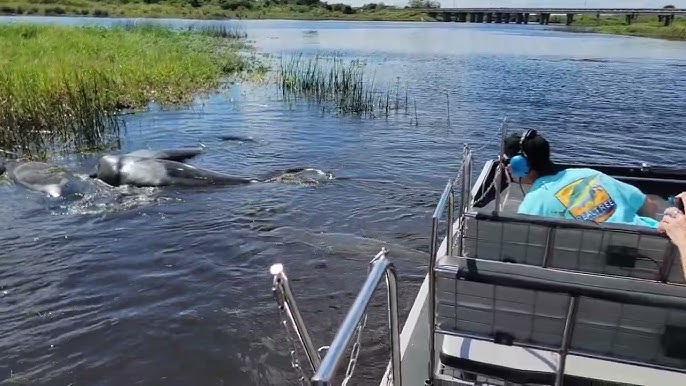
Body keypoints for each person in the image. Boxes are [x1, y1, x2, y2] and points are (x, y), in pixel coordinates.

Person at [501, 129, 659, 228]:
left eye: (506, 161)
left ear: (519, 164)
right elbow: (650, 207)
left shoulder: (534, 203)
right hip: (660, 240)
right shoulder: (590, 173)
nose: (504, 167)